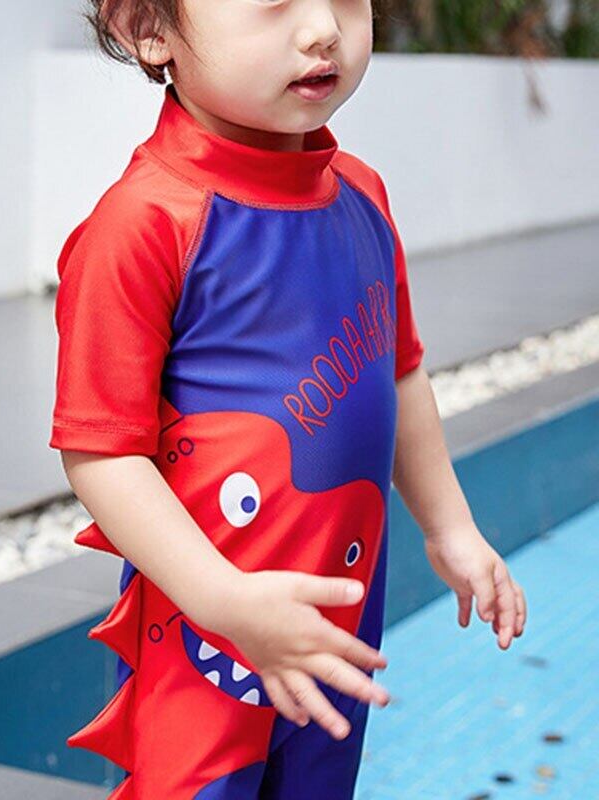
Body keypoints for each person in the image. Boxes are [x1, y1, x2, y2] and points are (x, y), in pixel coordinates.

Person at [48, 0, 528, 797]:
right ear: (149, 29)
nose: (321, 29)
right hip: (209, 634)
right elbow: (101, 452)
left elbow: (398, 374)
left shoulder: (361, 197)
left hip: (336, 621)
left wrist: (451, 529)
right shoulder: (146, 225)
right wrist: (224, 602)